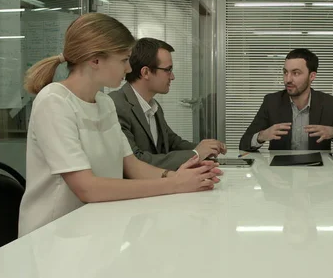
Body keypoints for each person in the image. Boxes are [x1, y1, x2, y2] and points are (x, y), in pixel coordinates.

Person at [19, 13, 222, 236]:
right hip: (53, 234)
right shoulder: (54, 102)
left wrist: (182, 177)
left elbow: (132, 166)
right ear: (95, 60)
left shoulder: (104, 102)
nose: (128, 69)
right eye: (124, 60)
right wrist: (174, 184)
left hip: (96, 226)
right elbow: (87, 187)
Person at [108, 38, 226, 170]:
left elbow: (172, 142)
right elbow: (136, 161)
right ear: (145, 72)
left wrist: (205, 147)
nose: (172, 76)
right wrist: (196, 154)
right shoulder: (115, 106)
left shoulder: (154, 106)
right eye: (168, 70)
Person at [239, 48, 333, 151]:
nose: (288, 79)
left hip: (318, 173)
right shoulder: (272, 102)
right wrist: (262, 136)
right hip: (280, 174)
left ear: (312, 76)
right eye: (285, 72)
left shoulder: (330, 104)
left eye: (295, 73)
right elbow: (244, 143)